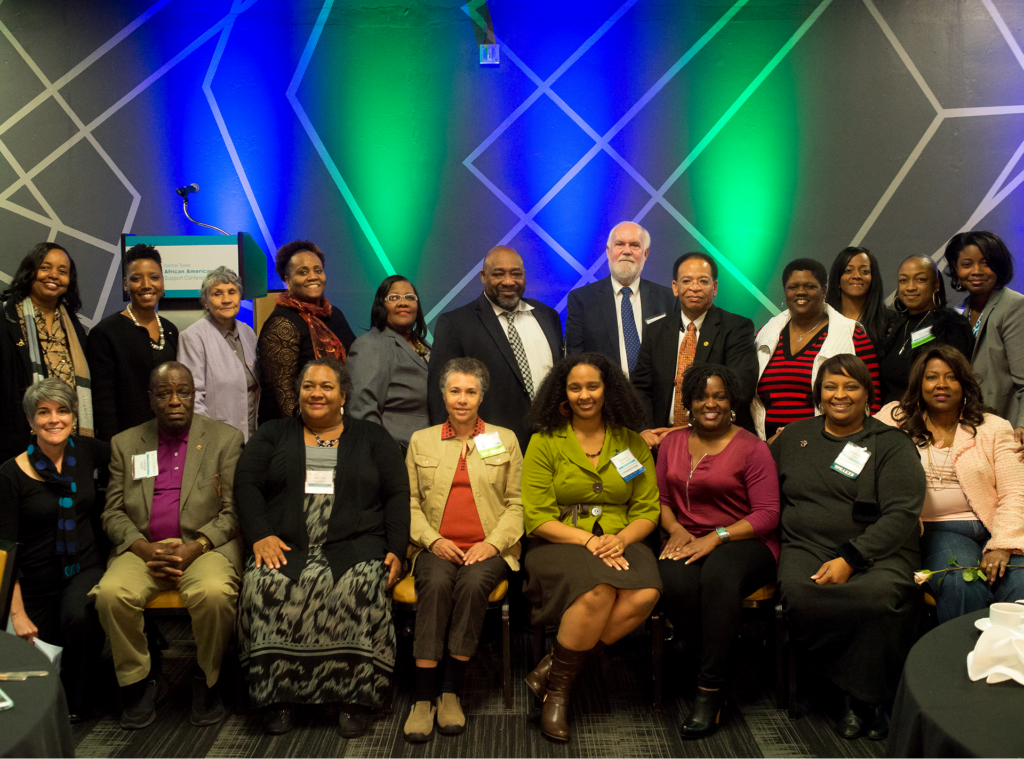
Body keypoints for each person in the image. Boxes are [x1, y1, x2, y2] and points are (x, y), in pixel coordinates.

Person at [235, 357, 409, 738]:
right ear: (297, 394)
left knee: (360, 588)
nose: (317, 393)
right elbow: (246, 485)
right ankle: (277, 697)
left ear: (343, 395)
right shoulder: (272, 434)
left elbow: (397, 494)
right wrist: (260, 534)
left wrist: (397, 547)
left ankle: (355, 698)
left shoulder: (372, 437)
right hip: (285, 544)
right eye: (308, 386)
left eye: (327, 386)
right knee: (263, 586)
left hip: (357, 543)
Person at [771, 354, 925, 741]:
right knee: (803, 592)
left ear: (868, 394)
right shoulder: (793, 437)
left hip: (880, 551)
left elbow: (902, 513)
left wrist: (851, 559)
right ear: (818, 394)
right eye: (830, 386)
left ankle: (860, 699)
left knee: (878, 597)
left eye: (851, 386)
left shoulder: (891, 443)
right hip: (807, 546)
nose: (840, 395)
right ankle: (855, 694)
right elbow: (761, 490)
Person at [90, 362, 243, 729]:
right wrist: (144, 549)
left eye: (183, 392)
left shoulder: (225, 439)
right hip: (144, 548)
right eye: (164, 393)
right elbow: (111, 513)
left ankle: (208, 679)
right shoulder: (126, 444)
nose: (175, 400)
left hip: (203, 546)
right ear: (150, 398)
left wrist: (196, 547)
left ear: (194, 395)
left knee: (214, 593)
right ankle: (138, 681)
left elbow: (235, 512)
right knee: (110, 594)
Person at [521, 353, 661, 742]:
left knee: (646, 592)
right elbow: (536, 516)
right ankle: (559, 694)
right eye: (576, 387)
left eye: (593, 386)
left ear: (608, 389)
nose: (585, 395)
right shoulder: (543, 441)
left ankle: (551, 668)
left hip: (621, 537)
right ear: (562, 393)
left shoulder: (630, 442)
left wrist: (621, 539)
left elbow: (648, 509)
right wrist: (589, 540)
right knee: (598, 590)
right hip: (559, 539)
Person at [402, 358, 524, 743]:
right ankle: (423, 698)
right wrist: (432, 540)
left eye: (470, 392)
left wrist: (492, 544)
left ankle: (451, 691)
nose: (462, 399)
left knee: (471, 588)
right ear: (443, 395)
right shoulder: (422, 440)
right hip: (434, 546)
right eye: (455, 391)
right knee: (435, 586)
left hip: (488, 549)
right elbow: (409, 503)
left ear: (482, 396)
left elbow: (517, 503)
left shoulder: (504, 440)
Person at [656, 364, 779, 738]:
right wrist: (676, 529)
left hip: (744, 542)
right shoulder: (672, 443)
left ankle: (710, 689)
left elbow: (768, 514)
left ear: (732, 401)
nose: (711, 404)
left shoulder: (752, 448)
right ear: (690, 403)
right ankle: (718, 658)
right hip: (686, 537)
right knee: (675, 582)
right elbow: (661, 500)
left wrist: (716, 536)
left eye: (719, 396)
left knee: (719, 575)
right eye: (702, 396)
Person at [878, 345, 1024, 622]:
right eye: (932, 377)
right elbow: (851, 432)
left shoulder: (993, 427)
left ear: (964, 383)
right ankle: (965, 659)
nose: (941, 385)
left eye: (951, 377)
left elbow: (1016, 491)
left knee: (1020, 584)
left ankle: (1012, 660)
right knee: (962, 582)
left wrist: (1003, 545)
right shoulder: (894, 419)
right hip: (933, 530)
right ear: (919, 383)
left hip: (993, 528)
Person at [0, 379, 109, 721]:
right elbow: (4, 549)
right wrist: (16, 614)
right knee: (30, 665)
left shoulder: (87, 451)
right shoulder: (10, 474)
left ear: (73, 417)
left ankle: (81, 705)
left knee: (78, 616)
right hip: (32, 581)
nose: (54, 419)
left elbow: (138, 448)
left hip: (84, 566)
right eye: (43, 412)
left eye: (63, 411)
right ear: (31, 422)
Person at [427, 245, 563, 453]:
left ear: (524, 276)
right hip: (488, 448)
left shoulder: (548, 316)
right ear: (483, 276)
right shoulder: (456, 324)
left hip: (552, 442)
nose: (508, 282)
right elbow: (441, 394)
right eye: (498, 274)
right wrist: (451, 450)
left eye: (516, 274)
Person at [632, 252, 758, 443]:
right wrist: (647, 430)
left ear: (714, 288)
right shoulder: (655, 331)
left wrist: (688, 429)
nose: (694, 288)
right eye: (687, 281)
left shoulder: (737, 328)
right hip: (660, 441)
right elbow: (641, 387)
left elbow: (739, 390)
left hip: (716, 439)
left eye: (703, 281)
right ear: (675, 287)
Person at [752, 258, 880, 441]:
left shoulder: (853, 336)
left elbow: (872, 403)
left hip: (829, 444)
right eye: (793, 287)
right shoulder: (765, 335)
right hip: (769, 446)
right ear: (785, 292)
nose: (801, 292)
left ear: (824, 291)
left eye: (810, 286)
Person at [0, 243, 93, 464]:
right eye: (45, 268)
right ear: (30, 272)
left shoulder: (73, 326)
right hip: (19, 444)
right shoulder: (7, 320)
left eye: (62, 271)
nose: (53, 276)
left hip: (69, 444)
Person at [257, 239, 356, 423]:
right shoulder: (282, 324)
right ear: (287, 280)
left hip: (338, 422)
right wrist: (316, 433)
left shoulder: (335, 315)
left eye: (318, 270)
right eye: (302, 272)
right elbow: (282, 399)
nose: (313, 276)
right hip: (298, 431)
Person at [88, 243, 179, 441]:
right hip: (128, 443)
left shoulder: (170, 330)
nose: (146, 285)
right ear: (125, 284)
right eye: (136, 279)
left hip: (169, 438)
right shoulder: (105, 334)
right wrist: (113, 452)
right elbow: (104, 406)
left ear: (163, 281)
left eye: (154, 277)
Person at [943, 231, 1024, 441]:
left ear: (999, 266)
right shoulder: (961, 310)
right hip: (971, 426)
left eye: (986, 263)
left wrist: (1022, 426)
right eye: (967, 264)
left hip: (1008, 427)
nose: (976, 271)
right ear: (956, 269)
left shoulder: (1014, 306)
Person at [564, 222, 676, 374]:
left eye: (635, 245)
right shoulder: (581, 300)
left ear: (646, 253)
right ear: (608, 252)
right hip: (606, 394)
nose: (627, 251)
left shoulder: (669, 299)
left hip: (655, 396)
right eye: (620, 244)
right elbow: (575, 360)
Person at [347, 275, 431, 449]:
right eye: (393, 298)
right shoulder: (371, 344)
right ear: (381, 305)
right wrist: (382, 454)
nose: (403, 303)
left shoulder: (425, 345)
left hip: (428, 452)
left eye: (410, 297)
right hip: (396, 454)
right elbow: (362, 410)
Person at [177, 267, 259, 441]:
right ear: (205, 301)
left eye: (232, 292)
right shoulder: (192, 337)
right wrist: (208, 440)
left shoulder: (248, 333)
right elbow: (191, 398)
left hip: (252, 438)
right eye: (217, 294)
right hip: (217, 440)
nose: (226, 300)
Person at [880, 255, 972, 404]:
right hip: (890, 419)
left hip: (927, 420)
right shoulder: (895, 326)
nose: (910, 287)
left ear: (936, 285)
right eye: (904, 280)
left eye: (920, 280)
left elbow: (956, 382)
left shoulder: (950, 326)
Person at [825, 246, 891, 352]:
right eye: (848, 270)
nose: (856, 275)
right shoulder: (823, 319)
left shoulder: (889, 322)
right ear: (837, 278)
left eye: (864, 271)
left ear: (873, 278)